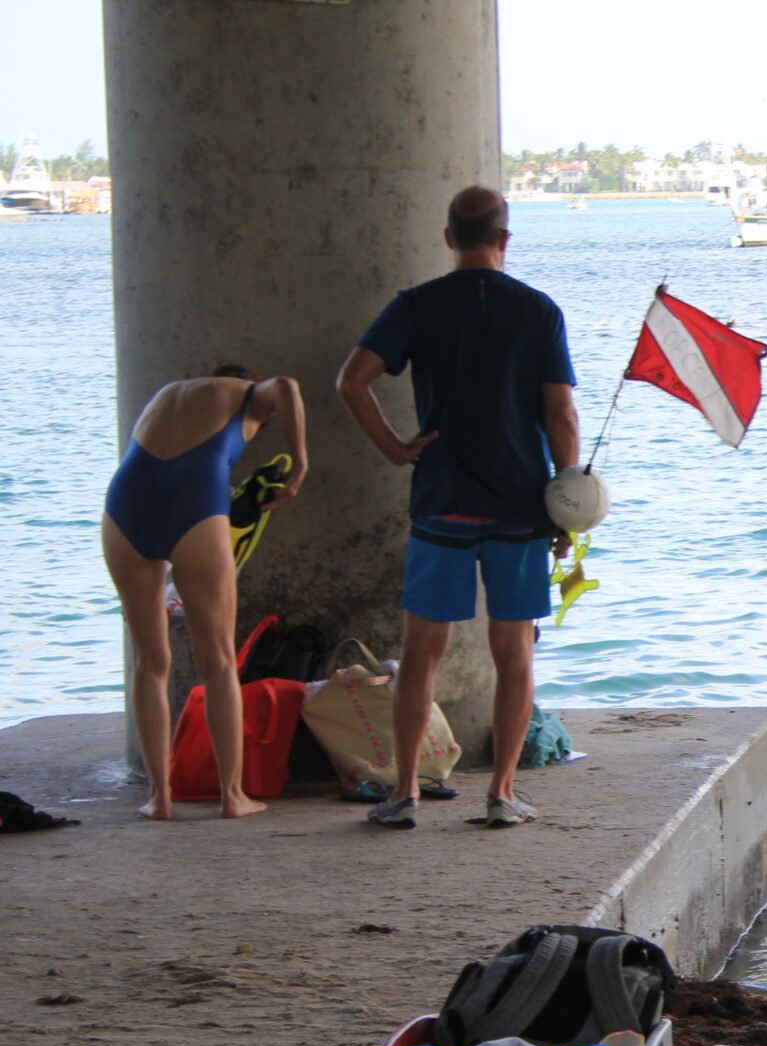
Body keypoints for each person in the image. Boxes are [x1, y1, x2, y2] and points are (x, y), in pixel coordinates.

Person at [337, 186, 579, 831]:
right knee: (515, 652)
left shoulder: (415, 307)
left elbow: (350, 381)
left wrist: (396, 449)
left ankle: (406, 794)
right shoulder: (538, 311)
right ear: (505, 240)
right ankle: (501, 792)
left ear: (448, 238)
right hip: (519, 503)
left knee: (421, 654)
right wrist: (568, 497)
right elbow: (560, 413)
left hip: (441, 500)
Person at [102, 365, 308, 820]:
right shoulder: (250, 395)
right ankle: (232, 796)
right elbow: (288, 387)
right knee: (216, 662)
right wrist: (299, 465)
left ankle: (159, 797)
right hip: (193, 502)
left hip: (124, 507)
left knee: (150, 661)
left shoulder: (169, 391)